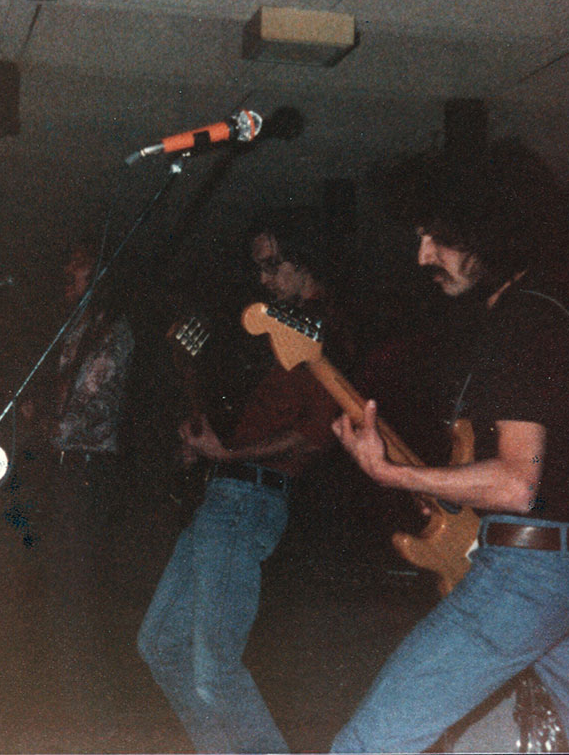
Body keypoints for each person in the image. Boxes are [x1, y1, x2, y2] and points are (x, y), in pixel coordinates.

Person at [330, 140, 569, 753]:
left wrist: (394, 474)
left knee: (370, 742)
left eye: (435, 238)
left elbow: (516, 484)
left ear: (486, 230)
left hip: (532, 573)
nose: (422, 256)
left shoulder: (521, 322)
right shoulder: (559, 310)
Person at [137, 208, 346, 753]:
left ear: (307, 263)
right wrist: (206, 440)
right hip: (226, 495)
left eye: (273, 265)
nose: (264, 279)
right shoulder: (285, 325)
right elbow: (261, 411)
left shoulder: (326, 329)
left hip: (248, 499)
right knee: (160, 644)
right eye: (259, 268)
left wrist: (230, 452)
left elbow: (313, 436)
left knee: (213, 666)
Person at [0, 240, 134, 733]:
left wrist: (48, 421)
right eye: (66, 274)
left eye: (76, 275)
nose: (66, 285)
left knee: (74, 593)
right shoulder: (70, 334)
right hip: (60, 468)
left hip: (88, 470)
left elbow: (95, 406)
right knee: (50, 588)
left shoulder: (112, 333)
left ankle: (94, 718)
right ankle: (57, 706)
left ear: (97, 282)